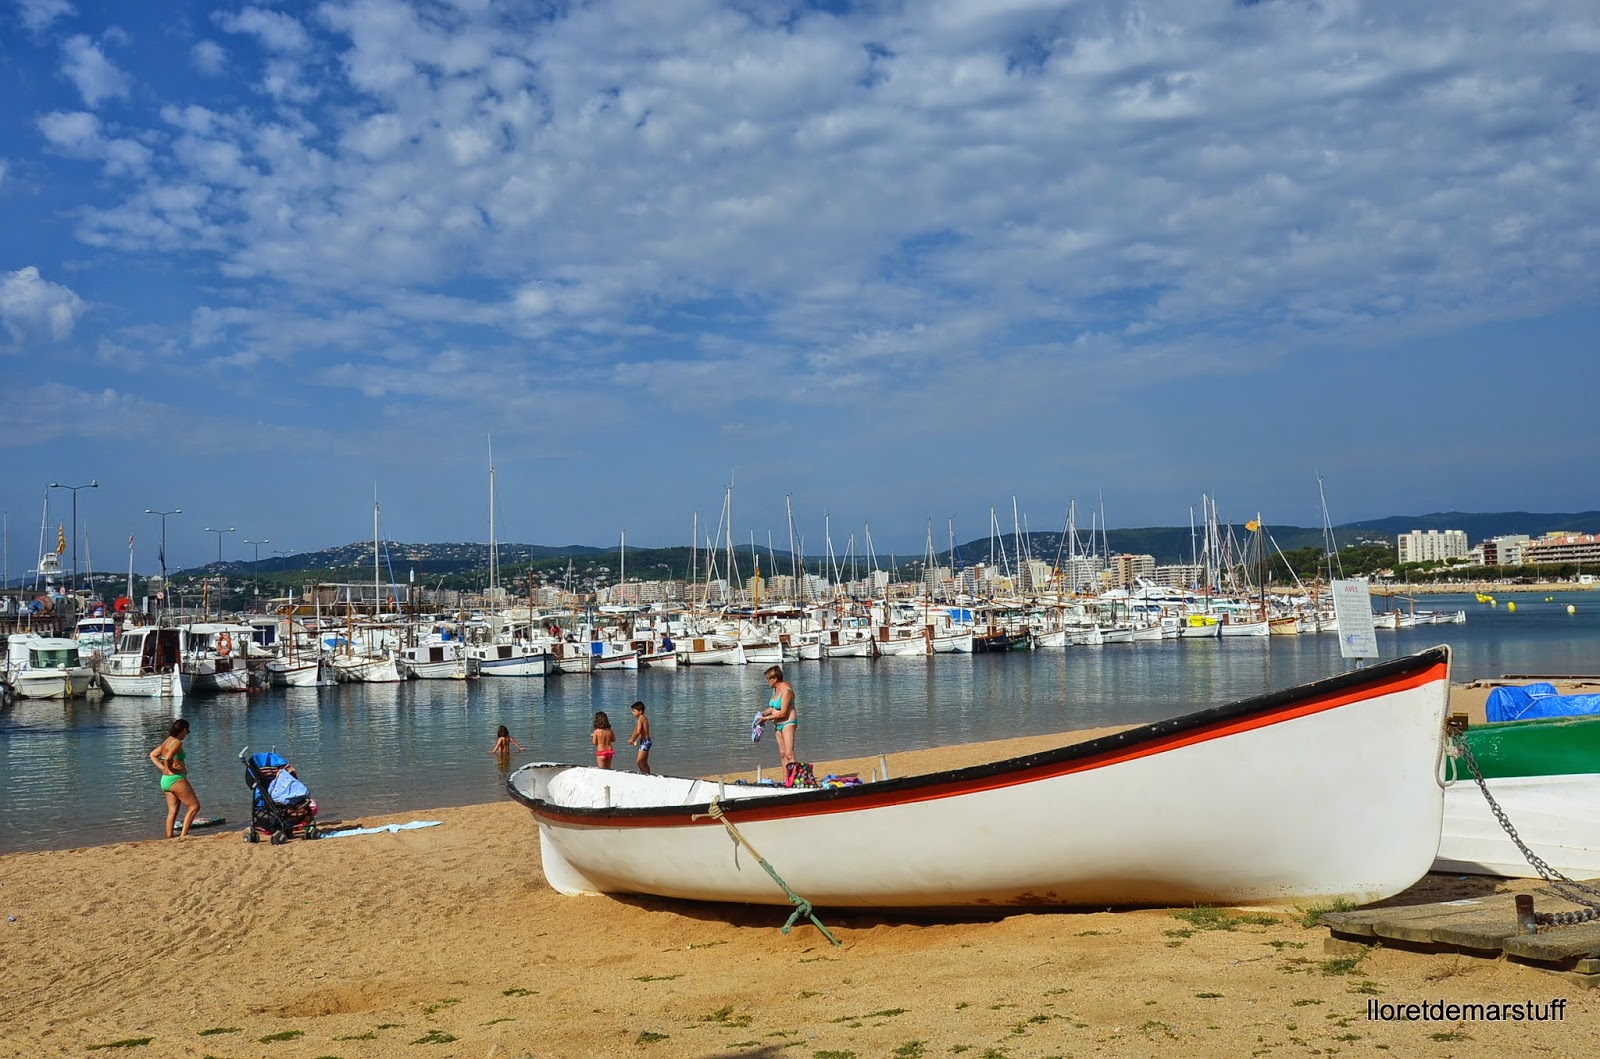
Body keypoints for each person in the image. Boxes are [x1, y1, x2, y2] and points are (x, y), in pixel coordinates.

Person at [149, 718, 200, 839]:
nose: (187, 735)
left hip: (165, 780)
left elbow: (153, 755)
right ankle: (184, 835)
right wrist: (171, 768)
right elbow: (168, 758)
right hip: (176, 779)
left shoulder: (167, 741)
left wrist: (163, 768)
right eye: (187, 732)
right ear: (184, 730)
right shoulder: (177, 742)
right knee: (194, 806)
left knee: (172, 811)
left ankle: (169, 837)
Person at [759, 665, 798, 767]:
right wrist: (761, 714)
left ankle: (795, 776)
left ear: (775, 678)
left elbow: (783, 712)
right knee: (783, 754)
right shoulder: (775, 689)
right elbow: (773, 708)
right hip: (777, 725)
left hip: (788, 723)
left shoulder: (787, 691)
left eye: (768, 679)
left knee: (789, 754)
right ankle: (785, 777)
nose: (767, 681)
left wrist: (766, 718)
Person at [627, 701, 652, 774]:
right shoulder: (643, 718)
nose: (633, 713)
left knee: (639, 761)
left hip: (645, 741)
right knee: (644, 762)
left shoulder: (641, 719)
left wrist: (633, 739)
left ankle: (645, 775)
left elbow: (638, 731)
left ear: (640, 711)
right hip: (645, 741)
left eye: (634, 711)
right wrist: (632, 737)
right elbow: (636, 729)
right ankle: (648, 774)